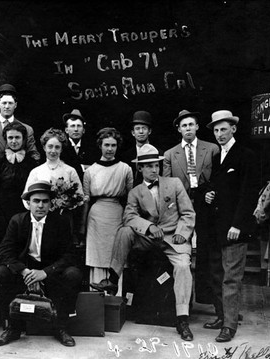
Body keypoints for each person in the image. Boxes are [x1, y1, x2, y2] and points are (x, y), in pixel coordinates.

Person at [110, 144, 195, 341]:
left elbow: (188, 213)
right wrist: (148, 227)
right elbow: (129, 216)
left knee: (183, 266)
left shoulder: (174, 184)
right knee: (124, 231)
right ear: (139, 169)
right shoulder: (136, 191)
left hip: (174, 239)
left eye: (156, 165)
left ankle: (182, 319)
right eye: (148, 166)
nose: (154, 169)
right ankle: (113, 279)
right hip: (149, 239)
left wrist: (183, 233)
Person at [0, 181, 82, 347]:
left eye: (45, 201)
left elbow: (70, 254)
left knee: (73, 274)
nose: (40, 205)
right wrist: (23, 271)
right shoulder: (17, 221)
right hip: (25, 270)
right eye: (36, 201)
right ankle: (13, 328)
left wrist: (46, 272)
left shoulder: (60, 222)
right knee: (0, 273)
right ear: (28, 203)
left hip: (50, 271)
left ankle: (60, 327)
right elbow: (4, 252)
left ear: (51, 203)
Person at [202, 110, 259, 343]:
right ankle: (222, 316)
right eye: (216, 130)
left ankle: (229, 325)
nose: (219, 134)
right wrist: (208, 194)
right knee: (217, 275)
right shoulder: (218, 158)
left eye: (223, 129)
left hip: (235, 228)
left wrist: (237, 224)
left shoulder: (247, 155)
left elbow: (248, 194)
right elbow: (216, 186)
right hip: (218, 227)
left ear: (234, 129)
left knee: (231, 278)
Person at [163, 110, 219, 304]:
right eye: (184, 125)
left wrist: (211, 194)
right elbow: (168, 185)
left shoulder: (211, 149)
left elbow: (218, 178)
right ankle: (183, 300)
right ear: (179, 129)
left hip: (206, 203)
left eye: (191, 124)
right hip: (182, 207)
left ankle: (205, 296)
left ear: (197, 127)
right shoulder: (170, 154)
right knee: (180, 248)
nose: (188, 128)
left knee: (206, 249)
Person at [84, 128, 133, 289]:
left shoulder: (125, 169)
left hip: (117, 215)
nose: (110, 149)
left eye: (113, 145)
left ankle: (115, 304)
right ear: (100, 145)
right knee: (97, 258)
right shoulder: (90, 171)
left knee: (117, 254)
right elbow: (86, 197)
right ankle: (95, 304)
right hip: (96, 217)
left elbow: (130, 196)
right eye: (106, 145)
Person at [0, 121, 38, 246]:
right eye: (10, 137)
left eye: (17, 137)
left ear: (24, 139)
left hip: (23, 212)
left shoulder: (31, 163)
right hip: (0, 213)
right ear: (5, 139)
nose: (14, 141)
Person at [23, 128, 83, 214]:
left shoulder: (70, 171)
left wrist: (67, 203)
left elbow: (80, 197)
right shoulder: (36, 171)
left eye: (57, 147)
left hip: (63, 217)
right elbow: (26, 199)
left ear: (61, 149)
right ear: (44, 147)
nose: (53, 151)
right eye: (50, 146)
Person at [0, 84, 40, 162]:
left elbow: (34, 155)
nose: (7, 106)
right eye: (4, 103)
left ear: (15, 105)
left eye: (10, 103)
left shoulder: (27, 129)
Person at [122, 110, 162, 186]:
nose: (141, 132)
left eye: (144, 128)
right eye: (137, 129)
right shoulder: (126, 156)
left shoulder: (159, 153)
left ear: (149, 131)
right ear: (133, 133)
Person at [60, 109, 97, 181]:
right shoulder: (61, 147)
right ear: (66, 130)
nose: (76, 129)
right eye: (72, 126)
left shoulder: (91, 147)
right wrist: (82, 168)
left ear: (83, 130)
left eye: (79, 126)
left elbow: (95, 169)